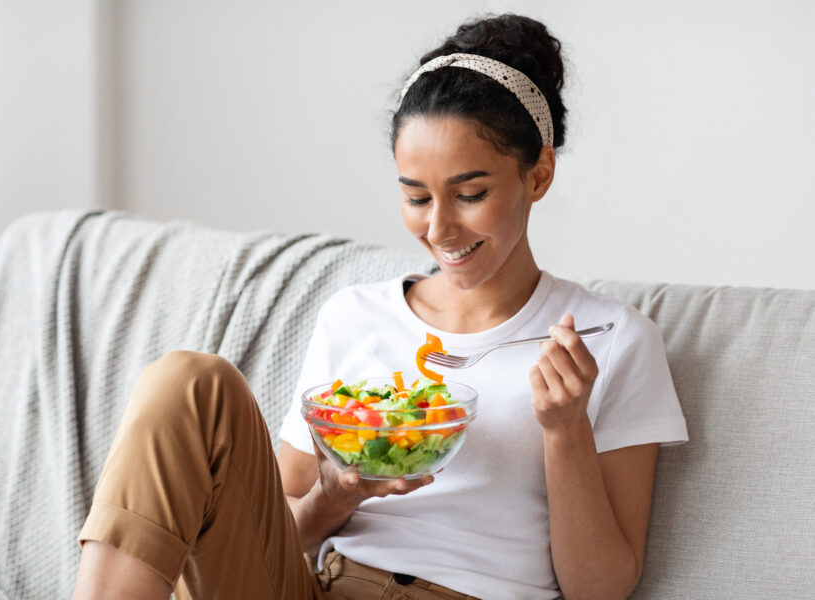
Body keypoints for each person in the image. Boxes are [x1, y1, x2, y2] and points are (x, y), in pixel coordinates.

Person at [73, 13, 688, 600]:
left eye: (470, 194)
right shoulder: (354, 315)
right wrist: (335, 499)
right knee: (188, 380)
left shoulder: (610, 339)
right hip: (311, 586)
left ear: (538, 175)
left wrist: (565, 431)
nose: (441, 228)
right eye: (417, 197)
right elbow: (273, 534)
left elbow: (600, 588)